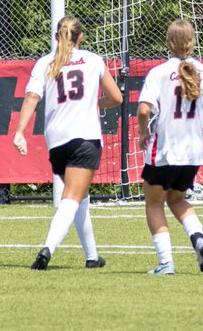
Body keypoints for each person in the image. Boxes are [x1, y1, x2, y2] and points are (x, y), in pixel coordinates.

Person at [13, 16, 122, 270]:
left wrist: (20, 131)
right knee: (72, 196)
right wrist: (94, 102)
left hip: (57, 142)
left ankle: (92, 257)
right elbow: (116, 97)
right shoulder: (94, 60)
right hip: (85, 137)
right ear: (80, 37)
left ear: (56, 37)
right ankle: (46, 250)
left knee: (80, 195)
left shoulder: (44, 63)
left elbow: (31, 97)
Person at [137, 19, 203, 275]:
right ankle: (198, 237)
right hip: (193, 151)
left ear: (168, 41)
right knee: (177, 198)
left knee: (154, 204)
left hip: (164, 149)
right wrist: (197, 124)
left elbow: (144, 109)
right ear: (192, 41)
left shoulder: (160, 72)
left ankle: (166, 264)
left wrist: (144, 132)